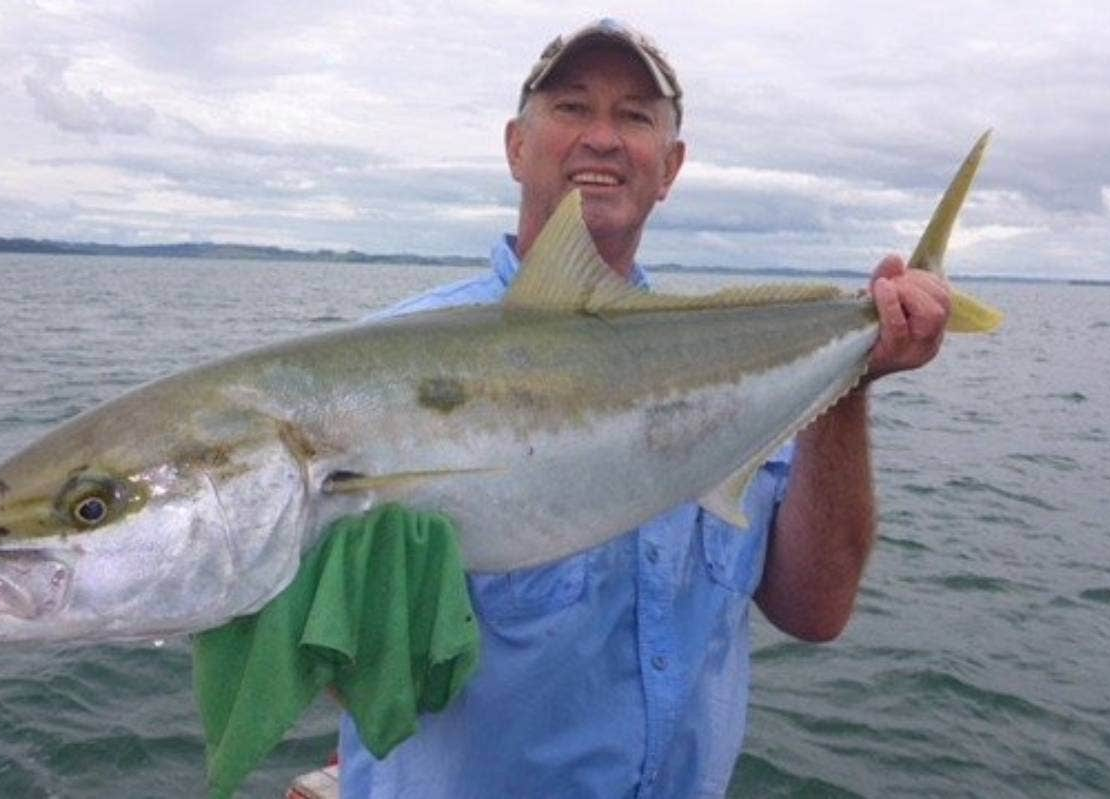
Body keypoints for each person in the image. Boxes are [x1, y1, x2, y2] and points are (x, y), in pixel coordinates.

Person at [336, 18, 952, 797]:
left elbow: (816, 611)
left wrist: (847, 382)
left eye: (634, 116)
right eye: (571, 107)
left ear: (671, 167)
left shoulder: (733, 357)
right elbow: (335, 667)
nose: (602, 137)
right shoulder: (374, 373)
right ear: (515, 146)